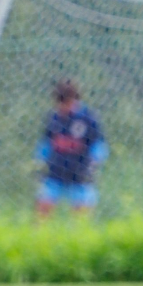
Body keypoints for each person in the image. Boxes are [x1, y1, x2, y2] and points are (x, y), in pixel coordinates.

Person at [35, 79, 106, 217]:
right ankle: (40, 237)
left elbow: (99, 145)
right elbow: (45, 143)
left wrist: (95, 163)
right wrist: (39, 161)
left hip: (80, 173)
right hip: (55, 172)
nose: (63, 108)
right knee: (43, 208)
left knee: (82, 215)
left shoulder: (89, 119)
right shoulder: (54, 118)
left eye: (66, 104)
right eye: (60, 104)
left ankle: (80, 237)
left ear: (74, 100)